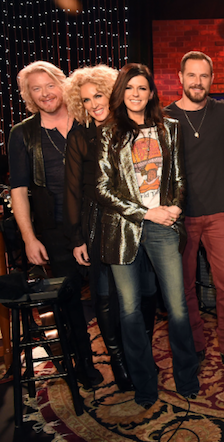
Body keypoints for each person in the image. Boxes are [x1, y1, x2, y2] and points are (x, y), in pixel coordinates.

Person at [96, 63, 199, 408]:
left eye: (142, 88)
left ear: (152, 93)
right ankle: (144, 387)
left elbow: (180, 179)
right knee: (129, 310)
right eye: (129, 88)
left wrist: (174, 208)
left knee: (178, 307)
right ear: (121, 93)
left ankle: (187, 377)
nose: (136, 94)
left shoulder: (169, 128)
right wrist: (145, 212)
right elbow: (101, 188)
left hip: (163, 228)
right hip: (123, 229)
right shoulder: (110, 131)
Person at [7, 61, 103, 389]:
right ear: (28, 96)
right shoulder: (22, 134)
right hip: (55, 230)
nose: (45, 93)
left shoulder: (89, 119)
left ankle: (122, 361)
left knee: (112, 298)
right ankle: (85, 366)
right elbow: (18, 190)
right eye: (36, 88)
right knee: (70, 301)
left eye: (50, 85)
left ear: (63, 84)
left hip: (99, 224)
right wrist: (29, 238)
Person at [63, 65, 158, 391]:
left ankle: (141, 357)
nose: (93, 104)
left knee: (146, 295)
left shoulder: (133, 129)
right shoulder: (80, 137)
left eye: (98, 95)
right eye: (86, 100)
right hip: (97, 224)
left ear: (112, 93)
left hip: (137, 221)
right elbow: (72, 190)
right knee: (105, 299)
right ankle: (120, 365)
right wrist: (77, 237)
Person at [163, 52, 224, 375]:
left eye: (204, 76)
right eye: (192, 75)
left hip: (218, 212)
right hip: (178, 216)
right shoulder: (164, 117)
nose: (198, 82)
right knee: (183, 287)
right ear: (180, 77)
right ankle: (195, 344)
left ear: (212, 79)